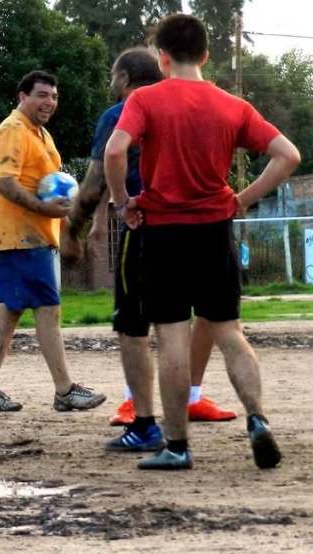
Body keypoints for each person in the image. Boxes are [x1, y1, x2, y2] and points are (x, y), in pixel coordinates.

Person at [106, 14, 300, 470]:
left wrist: (121, 204)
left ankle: (177, 446)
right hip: (214, 231)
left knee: (171, 337)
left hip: (164, 233)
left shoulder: (149, 99)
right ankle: (256, 417)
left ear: (163, 56)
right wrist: (241, 199)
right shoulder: (232, 105)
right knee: (229, 331)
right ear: (207, 54)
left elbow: (116, 150)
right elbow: (288, 155)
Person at [57, 48, 237, 454]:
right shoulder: (200, 105)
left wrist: (73, 228)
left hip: (148, 225)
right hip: (210, 226)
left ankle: (144, 424)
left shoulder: (125, 110)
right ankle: (194, 398)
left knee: (135, 327)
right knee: (212, 315)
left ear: (123, 78)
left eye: (111, 75)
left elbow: (96, 180)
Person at [0, 70, 107, 413]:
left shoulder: (42, 136)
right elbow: (2, 181)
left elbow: (51, 189)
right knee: (47, 308)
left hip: (30, 239)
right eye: (42, 95)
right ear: (22, 96)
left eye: (54, 96)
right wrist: (44, 208)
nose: (50, 102)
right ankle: (65, 390)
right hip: (17, 237)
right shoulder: (12, 130)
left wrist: (64, 231)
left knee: (10, 312)